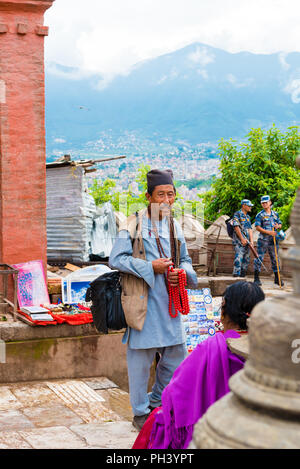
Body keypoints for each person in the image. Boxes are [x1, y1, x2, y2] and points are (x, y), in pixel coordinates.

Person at [109, 169, 198, 431]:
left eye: (171, 194)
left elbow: (187, 262)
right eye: (161, 194)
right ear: (148, 197)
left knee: (176, 355)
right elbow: (116, 259)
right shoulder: (132, 223)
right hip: (143, 304)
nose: (166, 200)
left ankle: (157, 400)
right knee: (140, 361)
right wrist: (151, 267)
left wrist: (182, 273)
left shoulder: (174, 225)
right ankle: (139, 412)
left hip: (170, 305)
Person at [132, 281, 265, 450]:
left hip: (212, 428)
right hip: (256, 429)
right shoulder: (269, 349)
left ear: (224, 311)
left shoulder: (210, 348)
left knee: (158, 420)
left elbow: (175, 393)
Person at [254, 195, 284, 286]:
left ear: (270, 202)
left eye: (266, 202)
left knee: (275, 258)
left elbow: (280, 224)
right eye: (262, 203)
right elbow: (257, 227)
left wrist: (277, 226)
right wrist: (268, 232)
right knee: (259, 258)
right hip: (263, 240)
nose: (264, 204)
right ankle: (256, 279)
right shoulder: (260, 215)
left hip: (273, 240)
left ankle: (277, 278)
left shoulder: (275, 214)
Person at [232, 199, 254, 278]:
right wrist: (242, 239)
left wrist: (251, 241)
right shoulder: (237, 214)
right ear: (243, 205)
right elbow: (236, 226)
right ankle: (236, 277)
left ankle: (242, 277)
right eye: (249, 206)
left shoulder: (248, 217)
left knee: (246, 260)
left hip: (247, 242)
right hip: (239, 242)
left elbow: (250, 229)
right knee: (238, 259)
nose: (250, 207)